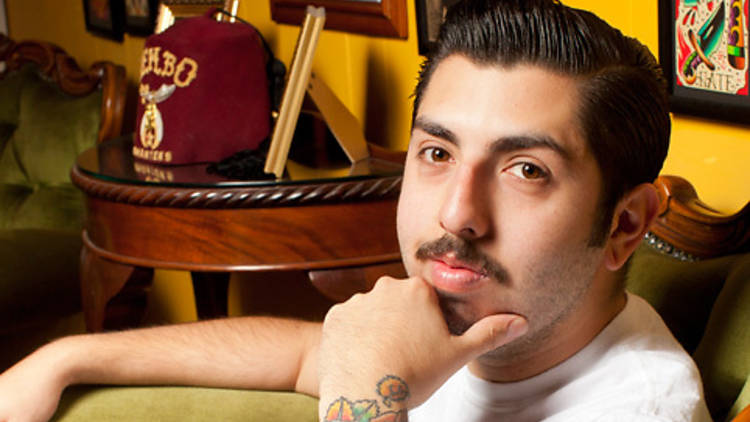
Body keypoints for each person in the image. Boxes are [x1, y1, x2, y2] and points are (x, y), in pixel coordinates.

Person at [0, 0, 712, 421]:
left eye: (526, 170)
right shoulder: (494, 328)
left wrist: (368, 393)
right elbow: (308, 353)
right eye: (437, 153)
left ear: (624, 225)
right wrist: (66, 358)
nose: (457, 215)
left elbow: (356, 372)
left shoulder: (636, 409)